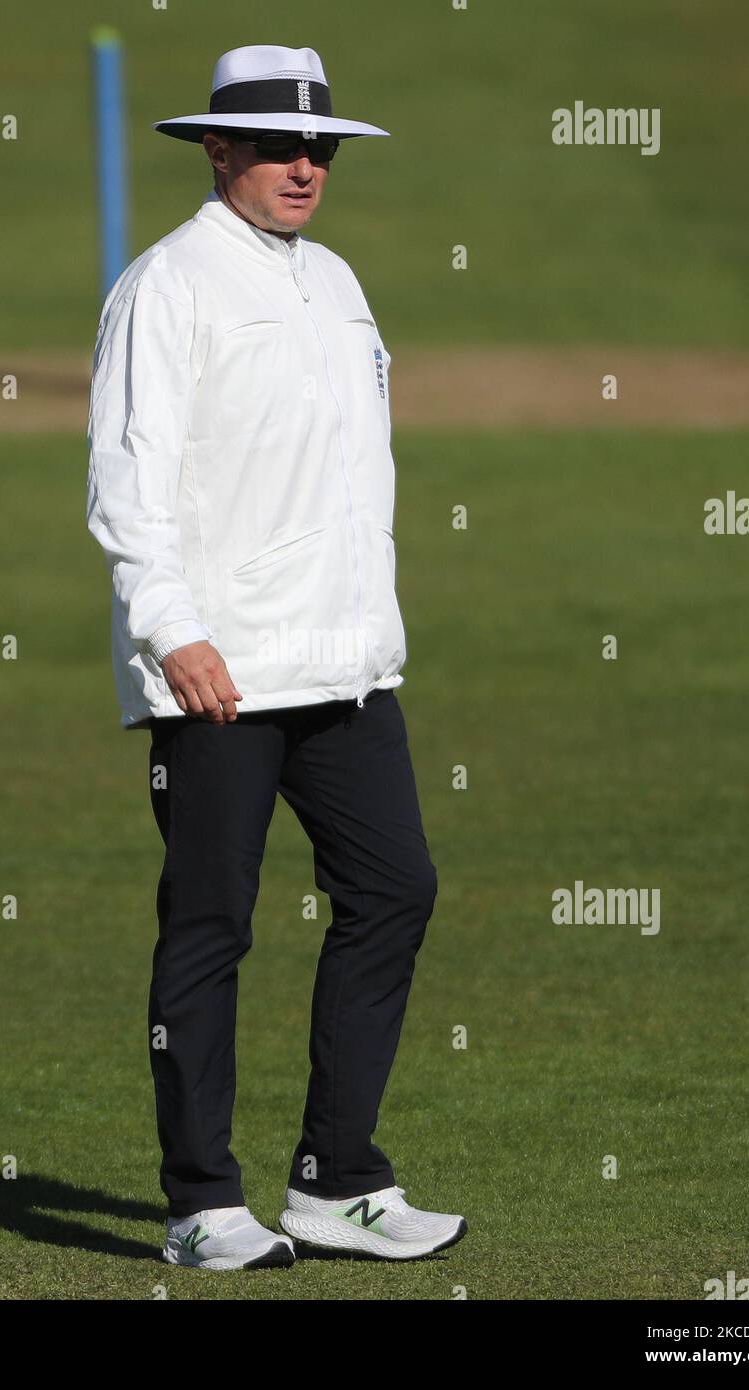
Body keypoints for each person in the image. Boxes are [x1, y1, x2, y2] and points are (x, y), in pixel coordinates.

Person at [86, 44, 467, 1271]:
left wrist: (373, 634)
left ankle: (335, 1179)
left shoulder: (336, 281)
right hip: (222, 672)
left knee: (395, 887)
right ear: (219, 150)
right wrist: (170, 627)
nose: (306, 166)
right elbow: (126, 479)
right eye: (281, 147)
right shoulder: (169, 285)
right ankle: (201, 1201)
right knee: (211, 923)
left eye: (322, 148)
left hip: (347, 664)